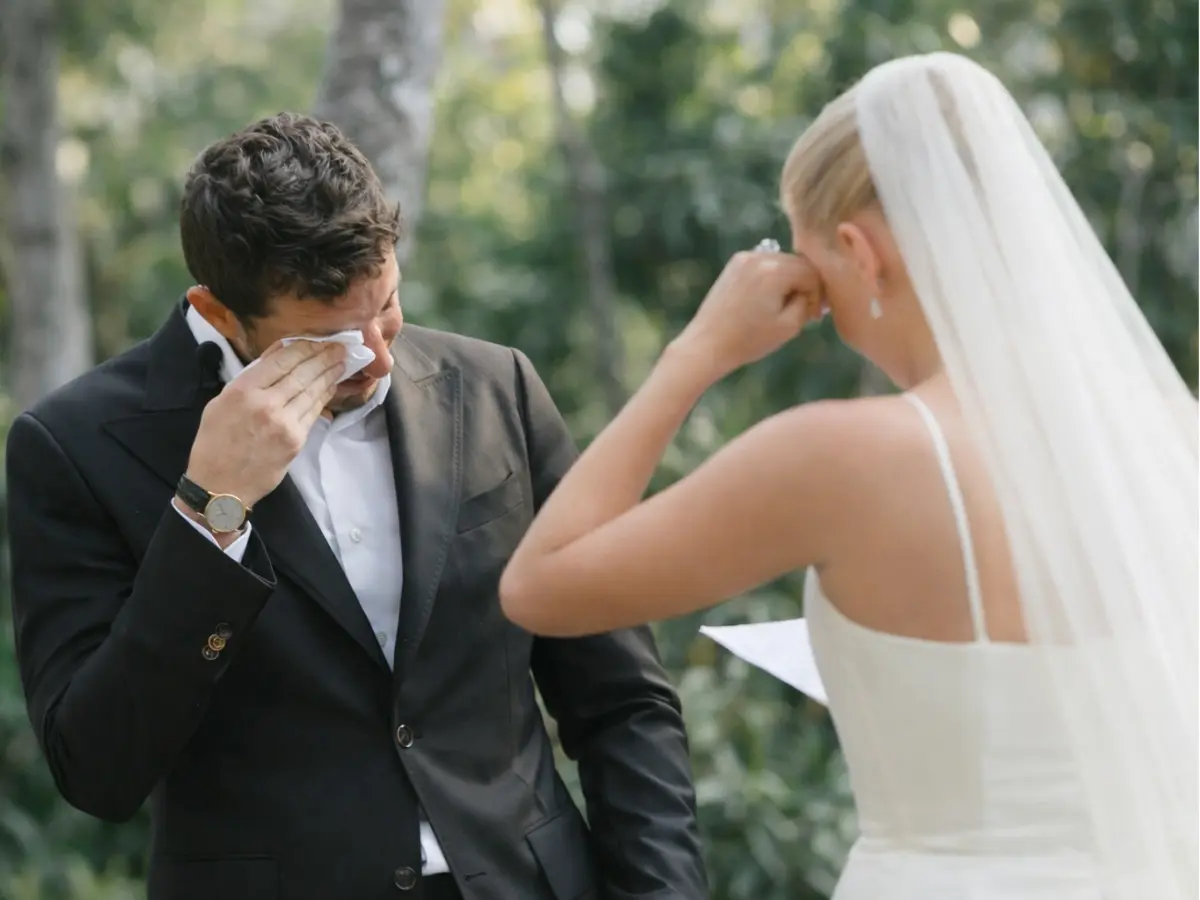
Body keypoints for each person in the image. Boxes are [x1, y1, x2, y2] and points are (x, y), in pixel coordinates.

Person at [500, 52, 1197, 900]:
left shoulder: (844, 457)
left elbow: (540, 586)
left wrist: (696, 355)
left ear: (861, 255)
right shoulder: (1170, 437)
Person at [5, 113, 708, 900]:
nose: (377, 355)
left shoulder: (497, 389)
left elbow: (622, 701)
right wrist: (209, 513)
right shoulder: (73, 446)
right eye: (332, 341)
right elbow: (97, 771)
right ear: (218, 310)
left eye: (389, 305)